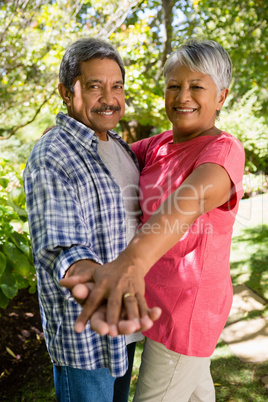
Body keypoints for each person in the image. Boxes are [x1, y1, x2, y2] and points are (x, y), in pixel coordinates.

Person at [60, 39, 245, 401]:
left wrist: (131, 262)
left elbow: (186, 203)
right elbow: (104, 147)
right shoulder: (157, 146)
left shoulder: (223, 150)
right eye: (174, 85)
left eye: (196, 87)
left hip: (186, 314)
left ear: (221, 97)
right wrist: (63, 135)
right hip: (158, 307)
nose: (182, 96)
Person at [23, 37, 160, 402]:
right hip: (85, 342)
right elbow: (60, 247)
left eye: (116, 86)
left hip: (123, 328)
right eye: (95, 86)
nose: (109, 98)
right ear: (67, 92)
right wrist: (98, 275)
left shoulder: (119, 147)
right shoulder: (52, 155)